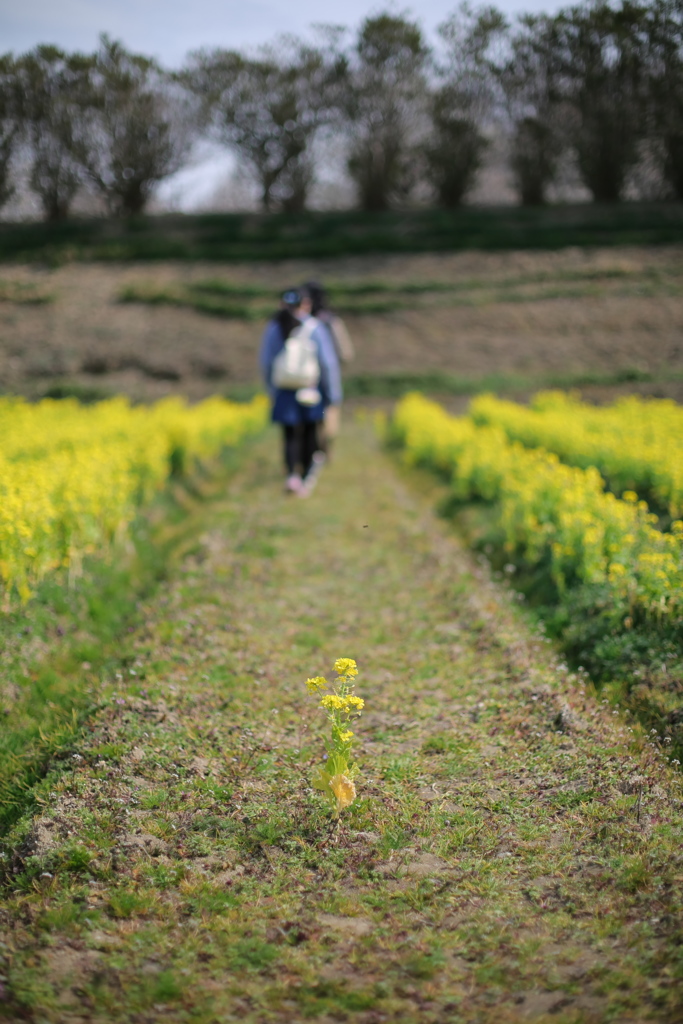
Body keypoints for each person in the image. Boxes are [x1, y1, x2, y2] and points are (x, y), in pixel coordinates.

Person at [260, 287, 342, 497]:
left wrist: (272, 390)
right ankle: (305, 476)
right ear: (306, 304)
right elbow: (327, 364)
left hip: (285, 390)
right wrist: (332, 393)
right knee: (309, 432)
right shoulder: (315, 327)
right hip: (310, 390)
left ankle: (291, 475)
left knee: (289, 435)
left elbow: (266, 362)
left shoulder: (274, 327)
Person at [303, 281, 354, 456]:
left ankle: (313, 451)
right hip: (327, 377)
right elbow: (346, 353)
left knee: (309, 417)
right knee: (329, 414)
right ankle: (324, 449)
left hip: (303, 378)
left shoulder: (300, 320)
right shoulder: (330, 320)